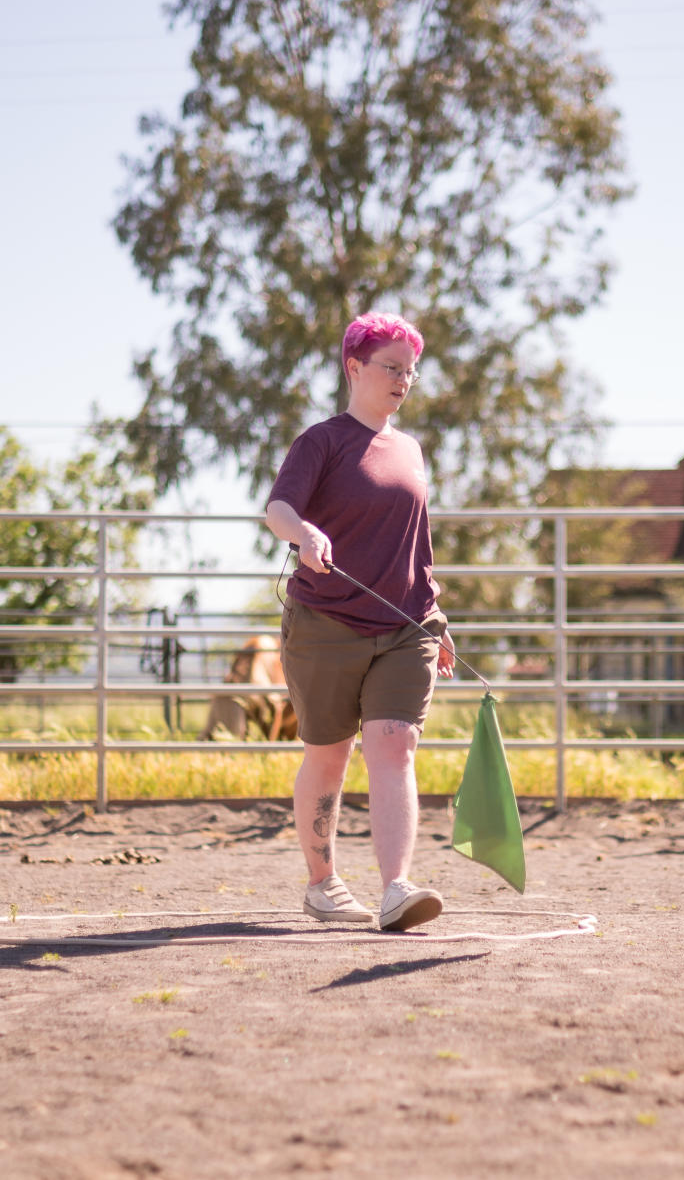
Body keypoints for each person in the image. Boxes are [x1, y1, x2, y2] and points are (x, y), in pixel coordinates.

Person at [263, 311, 457, 932]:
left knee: (395, 746)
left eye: (411, 370)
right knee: (329, 755)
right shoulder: (320, 442)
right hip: (325, 623)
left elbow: (417, 542)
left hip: (406, 627)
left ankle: (397, 888)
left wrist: (437, 615)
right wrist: (305, 533)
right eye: (392, 368)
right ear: (354, 368)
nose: (405, 379)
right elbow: (279, 508)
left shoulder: (411, 450)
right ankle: (323, 885)